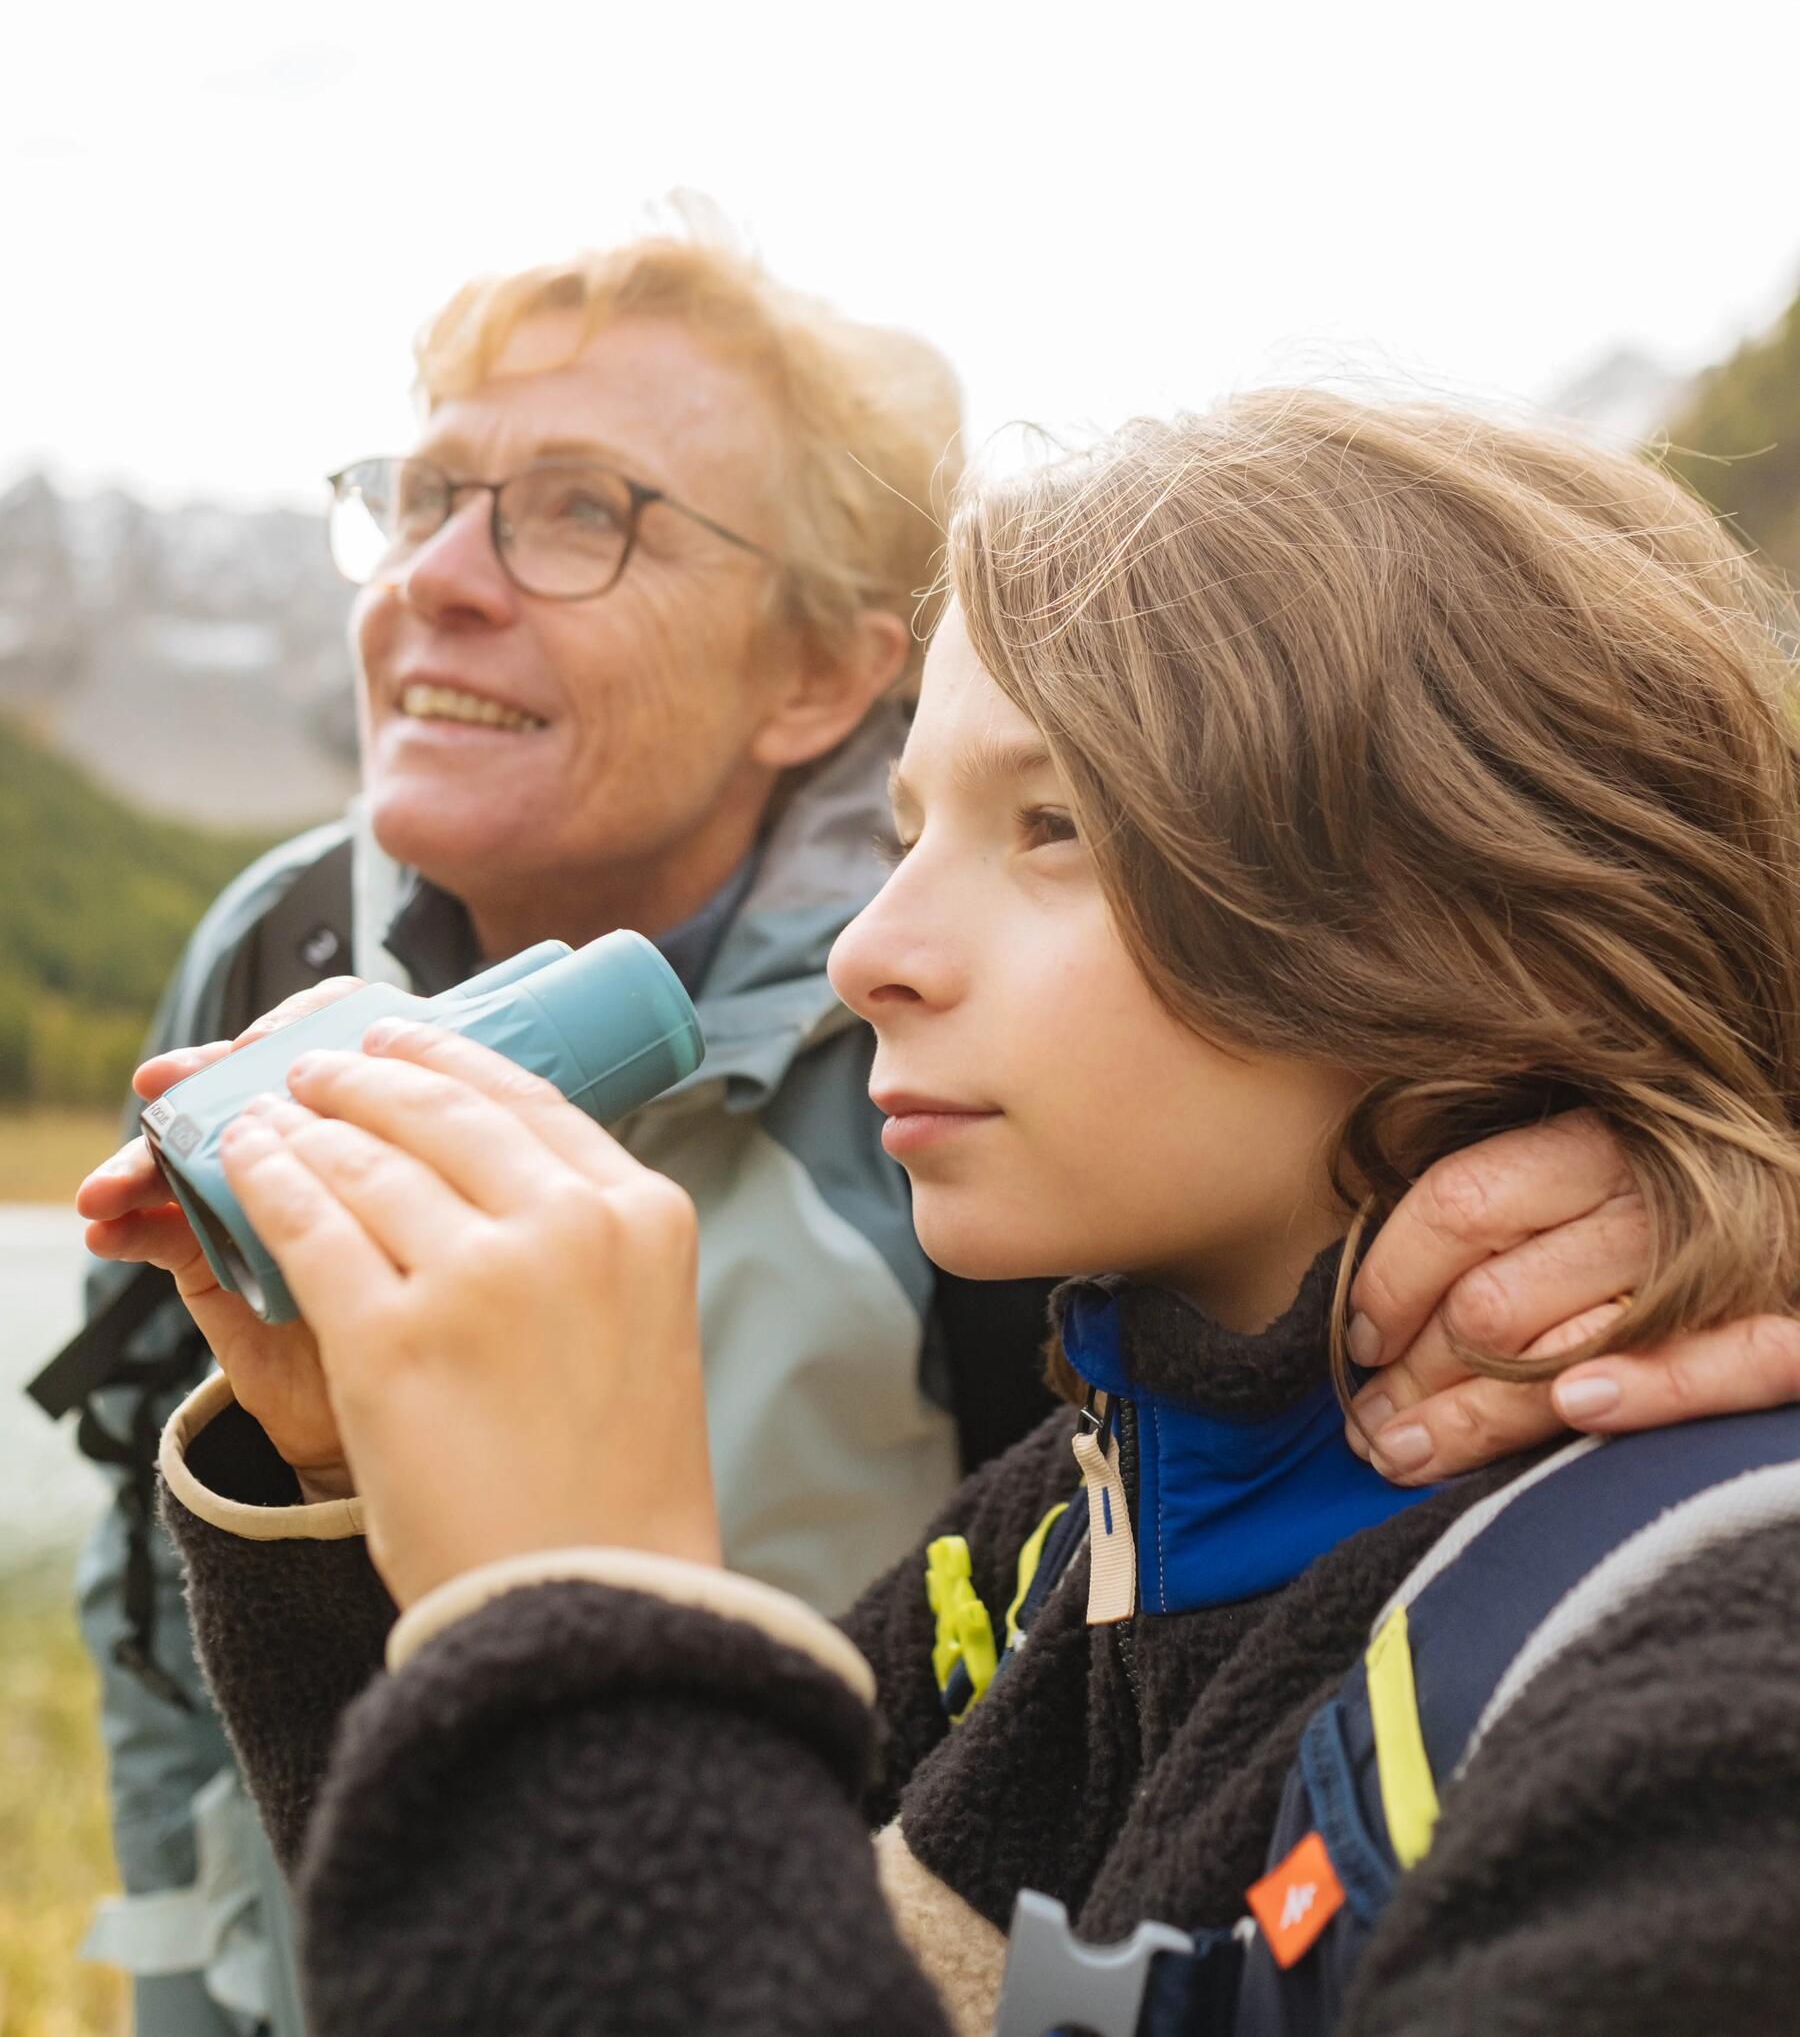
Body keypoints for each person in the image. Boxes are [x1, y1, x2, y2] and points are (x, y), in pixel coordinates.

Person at [100, 388, 1800, 2034]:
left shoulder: (1716, 1692)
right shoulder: (1066, 1528)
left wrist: (589, 1610)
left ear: (1484, 910)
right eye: (907, 831)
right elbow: (542, 1939)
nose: (870, 955)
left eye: (1052, 825)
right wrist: (346, 1484)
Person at [50, 214, 1066, 2037]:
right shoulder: (275, 949)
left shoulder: (988, 1026)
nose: (434, 577)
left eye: (582, 510)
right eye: (425, 494)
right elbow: (150, 1617)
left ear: (819, 679)